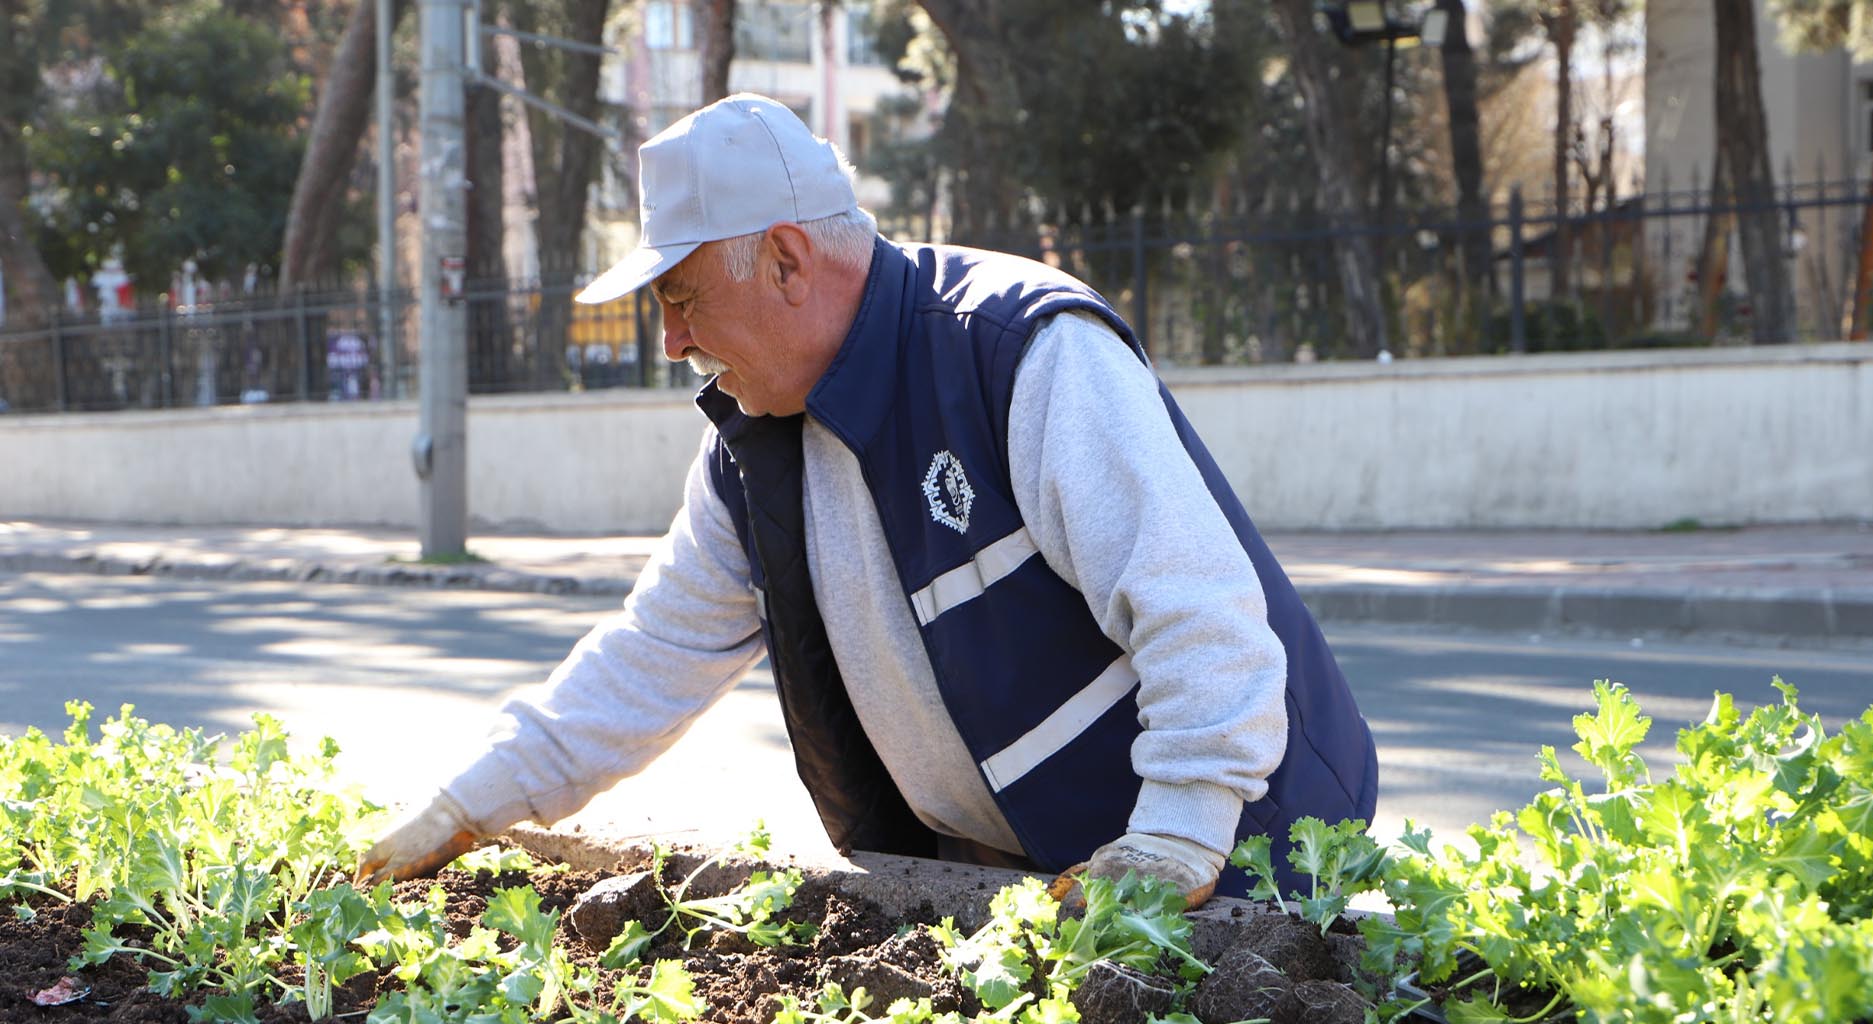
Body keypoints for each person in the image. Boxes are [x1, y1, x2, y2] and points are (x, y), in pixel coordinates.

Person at [356, 93, 1377, 907]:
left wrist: (1179, 833)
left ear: (789, 260)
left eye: (681, 296)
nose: (672, 341)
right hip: (1049, 888)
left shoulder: (1017, 351)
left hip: (1241, 861)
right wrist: (461, 807)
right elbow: (643, 661)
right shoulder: (751, 451)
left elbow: (1197, 607)